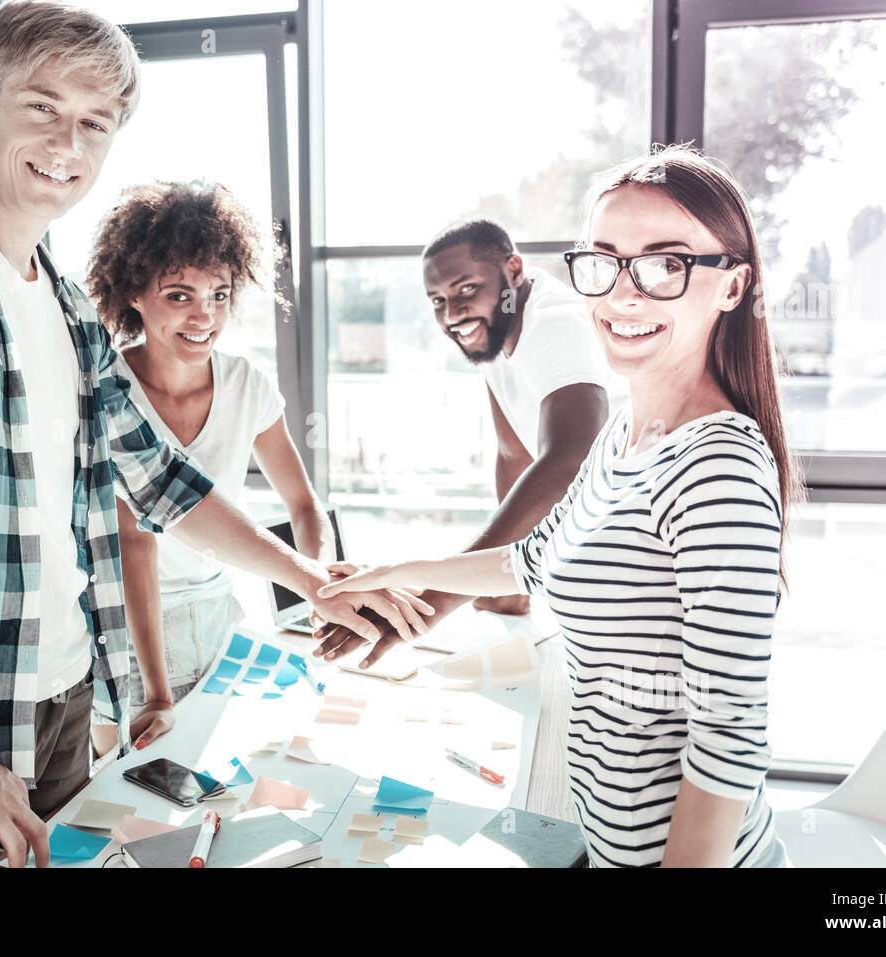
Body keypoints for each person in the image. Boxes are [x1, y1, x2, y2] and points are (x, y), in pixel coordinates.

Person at [0, 0, 427, 869]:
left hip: (60, 715)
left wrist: (314, 580)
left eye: (96, 122)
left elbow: (160, 482)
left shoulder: (71, 308)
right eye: (42, 107)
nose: (67, 143)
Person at [318, 143, 801, 867]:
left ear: (731, 286)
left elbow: (730, 738)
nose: (623, 294)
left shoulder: (717, 468)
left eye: (666, 264)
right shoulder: (621, 437)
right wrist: (401, 572)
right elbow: (533, 560)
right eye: (604, 260)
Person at [83, 180, 335, 757]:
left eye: (218, 295)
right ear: (134, 295)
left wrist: (315, 589)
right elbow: (135, 545)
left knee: (218, 787)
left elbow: (302, 505)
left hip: (220, 618)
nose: (205, 316)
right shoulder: (105, 394)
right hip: (124, 630)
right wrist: (156, 691)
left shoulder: (245, 383)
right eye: (179, 296)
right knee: (126, 800)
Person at [312, 220, 612, 667]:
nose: (452, 314)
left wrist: (432, 603)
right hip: (580, 555)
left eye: (466, 289)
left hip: (631, 567)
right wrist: (503, 587)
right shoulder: (496, 331)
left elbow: (570, 460)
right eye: (438, 300)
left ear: (513, 269)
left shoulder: (554, 325)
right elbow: (515, 456)